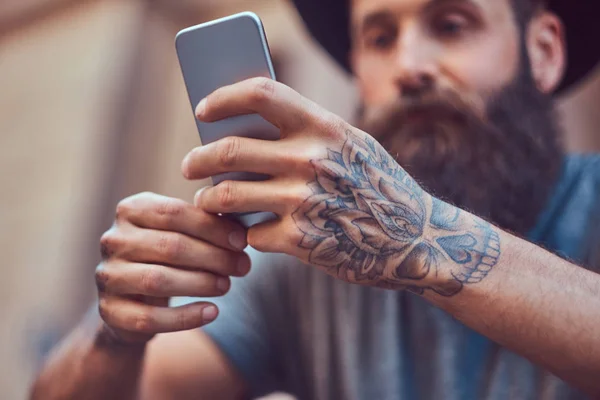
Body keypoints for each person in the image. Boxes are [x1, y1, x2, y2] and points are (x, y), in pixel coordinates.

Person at [31, 0, 600, 399]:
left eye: (451, 25)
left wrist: (419, 237)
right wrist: (116, 336)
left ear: (544, 50)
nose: (409, 67)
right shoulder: (306, 258)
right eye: (379, 39)